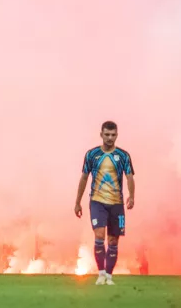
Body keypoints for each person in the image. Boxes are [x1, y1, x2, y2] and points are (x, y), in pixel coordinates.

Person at [75, 121, 135, 286]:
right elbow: (84, 178)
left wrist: (132, 196)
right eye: (107, 134)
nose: (110, 138)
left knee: (113, 241)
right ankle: (101, 274)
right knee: (99, 235)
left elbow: (130, 176)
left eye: (113, 135)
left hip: (117, 204)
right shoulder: (92, 154)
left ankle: (108, 276)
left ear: (117, 135)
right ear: (101, 134)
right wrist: (78, 202)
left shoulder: (123, 156)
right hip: (97, 202)